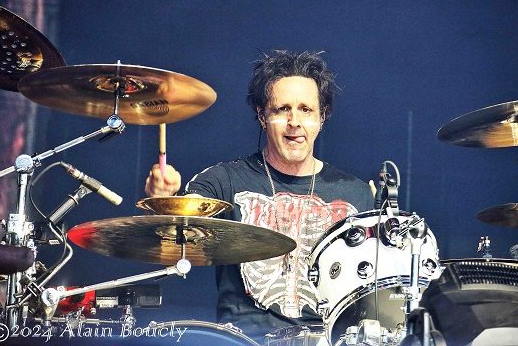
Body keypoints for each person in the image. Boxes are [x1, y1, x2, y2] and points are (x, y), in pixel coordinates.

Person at [145, 50, 374, 342]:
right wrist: (165, 201)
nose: (294, 121)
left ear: (322, 118)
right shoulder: (222, 182)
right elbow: (176, 241)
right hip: (244, 340)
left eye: (306, 109)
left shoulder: (355, 194)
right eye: (282, 109)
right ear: (262, 116)